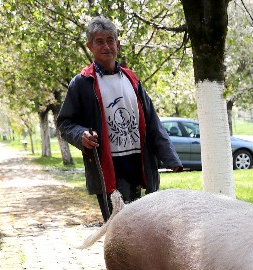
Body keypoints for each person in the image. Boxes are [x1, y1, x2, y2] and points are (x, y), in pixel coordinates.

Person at [57, 16, 182, 221]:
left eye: (110, 40)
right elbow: (65, 123)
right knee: (118, 229)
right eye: (99, 41)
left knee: (143, 227)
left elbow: (152, 122)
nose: (106, 46)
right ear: (90, 46)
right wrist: (81, 136)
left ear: (118, 43)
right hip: (108, 167)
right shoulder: (82, 83)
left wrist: (170, 158)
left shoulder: (132, 79)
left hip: (139, 165)